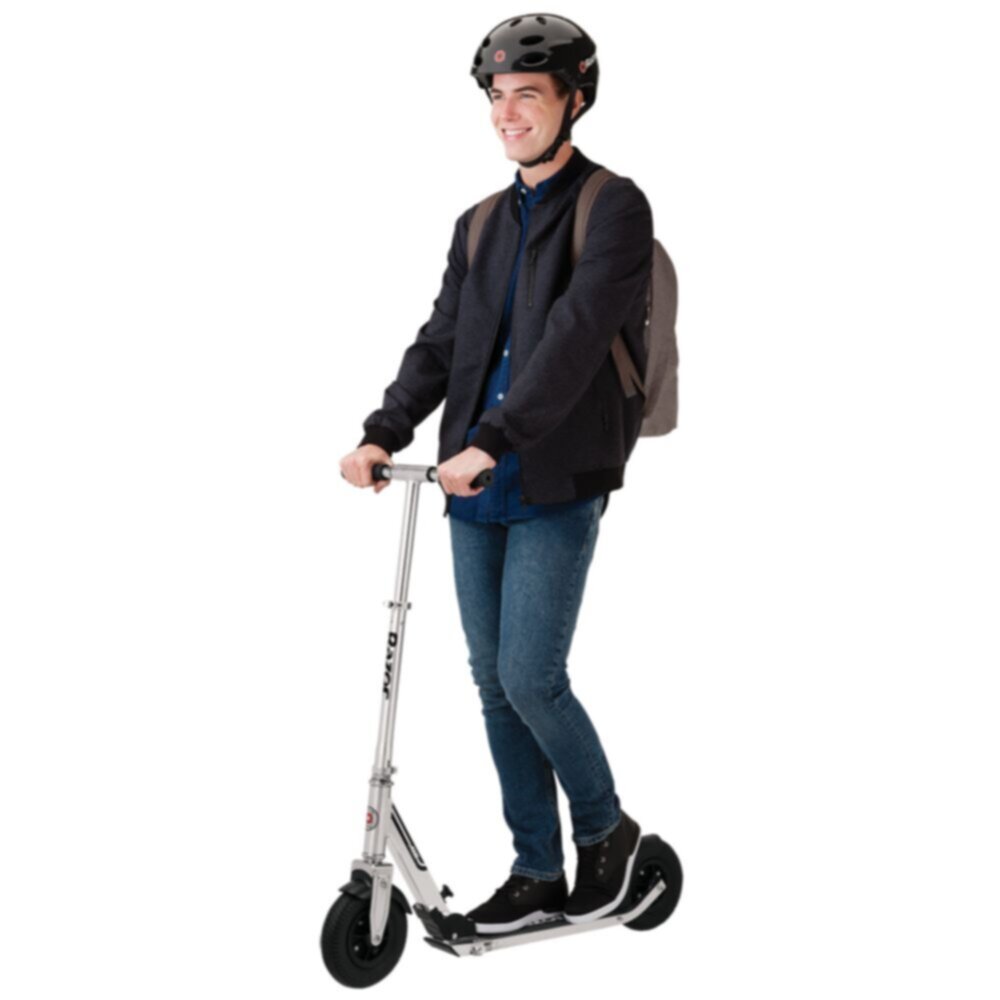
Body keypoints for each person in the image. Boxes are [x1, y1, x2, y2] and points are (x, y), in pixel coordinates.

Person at [340, 13, 652, 934]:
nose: (507, 113)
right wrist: (382, 430)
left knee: (531, 677)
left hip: (553, 473)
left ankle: (606, 831)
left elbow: (575, 339)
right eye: (497, 96)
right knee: (493, 682)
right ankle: (536, 870)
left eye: (528, 96)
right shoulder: (478, 223)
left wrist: (496, 438)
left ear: (574, 101)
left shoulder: (615, 207)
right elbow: (443, 341)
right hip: (471, 484)